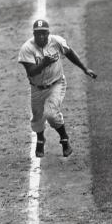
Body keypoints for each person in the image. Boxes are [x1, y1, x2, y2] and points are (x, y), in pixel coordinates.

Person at [18, 19, 97, 158]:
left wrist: (84, 69)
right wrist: (44, 63)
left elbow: (69, 53)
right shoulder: (26, 48)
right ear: (33, 34)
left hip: (56, 84)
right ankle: (41, 139)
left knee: (51, 114)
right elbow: (31, 72)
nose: (41, 36)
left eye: (44, 33)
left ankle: (64, 139)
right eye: (38, 34)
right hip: (36, 88)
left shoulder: (56, 41)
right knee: (37, 117)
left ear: (48, 33)